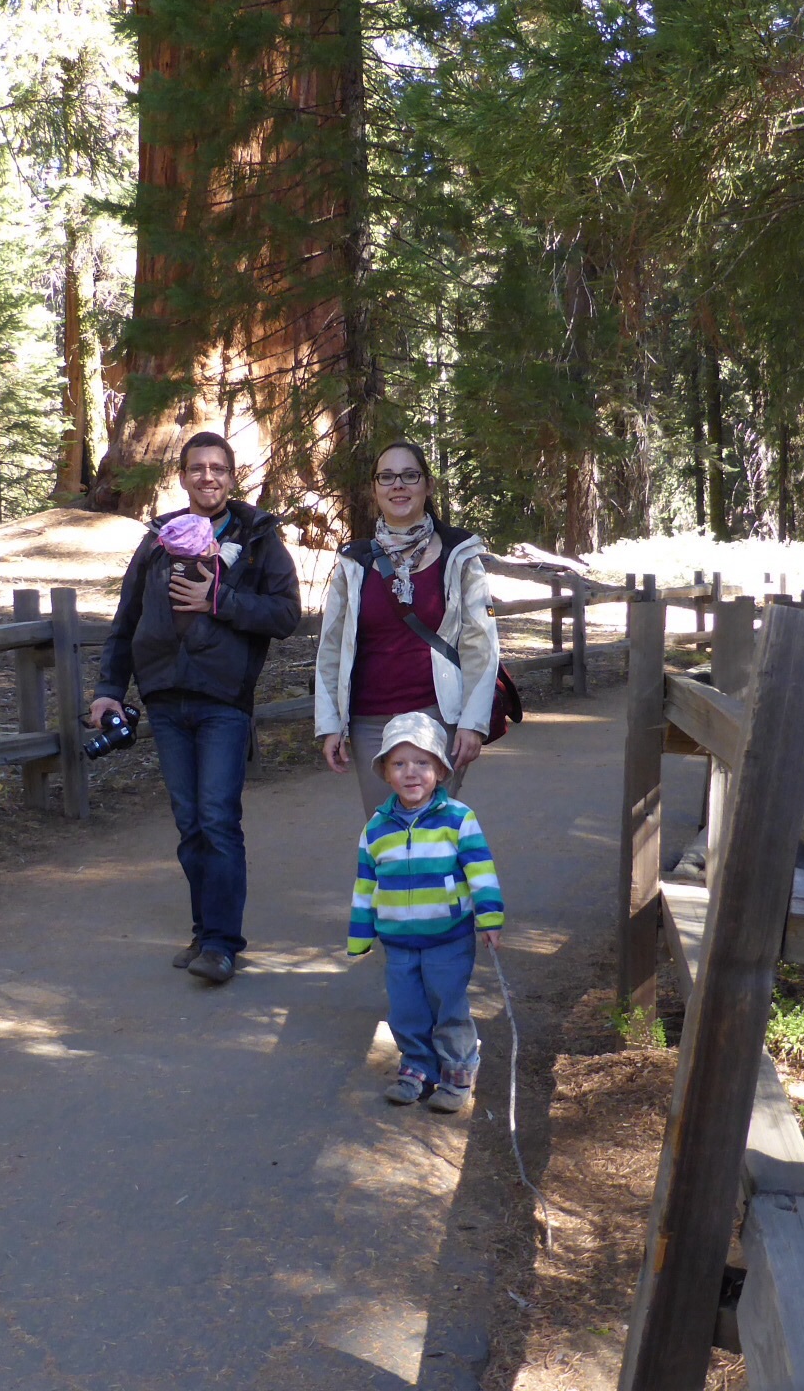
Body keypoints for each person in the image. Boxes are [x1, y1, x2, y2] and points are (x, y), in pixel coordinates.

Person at [92, 431, 302, 985]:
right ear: (182, 476)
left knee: (217, 819)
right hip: (165, 699)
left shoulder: (257, 539)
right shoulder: (158, 540)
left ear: (232, 477)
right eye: (197, 468)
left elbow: (285, 615)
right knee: (189, 824)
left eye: (218, 468)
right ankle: (205, 931)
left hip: (222, 702)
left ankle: (221, 944)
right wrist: (109, 687)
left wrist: (220, 600)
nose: (208, 476)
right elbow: (126, 620)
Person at [314, 441, 500, 814]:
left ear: (428, 485)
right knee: (386, 833)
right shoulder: (353, 562)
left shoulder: (459, 554)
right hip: (370, 723)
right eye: (386, 477)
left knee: (435, 832)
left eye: (409, 475)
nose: (397, 485)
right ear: (374, 489)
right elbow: (332, 647)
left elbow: (481, 645)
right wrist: (330, 723)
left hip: (438, 716)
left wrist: (473, 722)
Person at [345, 713, 503, 1112]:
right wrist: (360, 933)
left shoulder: (458, 820)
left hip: (448, 937)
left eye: (422, 762)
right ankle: (417, 1064)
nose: (411, 772)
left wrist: (490, 917)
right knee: (406, 1008)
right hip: (398, 940)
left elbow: (481, 871)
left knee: (448, 1004)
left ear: (440, 771)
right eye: (399, 764)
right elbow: (366, 884)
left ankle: (458, 1066)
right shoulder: (376, 829)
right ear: (385, 773)